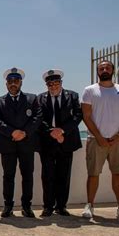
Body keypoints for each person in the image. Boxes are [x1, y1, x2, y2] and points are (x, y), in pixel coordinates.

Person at [81, 60, 119, 219]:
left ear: (112, 70)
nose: (104, 70)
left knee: (118, 174)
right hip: (95, 140)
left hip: (118, 141)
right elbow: (86, 116)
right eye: (101, 68)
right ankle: (89, 206)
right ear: (97, 71)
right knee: (93, 174)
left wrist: (118, 135)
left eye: (107, 67)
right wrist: (99, 137)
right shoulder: (89, 90)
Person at [0, 67, 42, 218]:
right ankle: (8, 206)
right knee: (8, 176)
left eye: (16, 81)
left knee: (27, 175)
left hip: (26, 143)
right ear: (6, 84)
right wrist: (12, 132)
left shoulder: (32, 99)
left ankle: (26, 206)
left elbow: (37, 117)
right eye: (10, 81)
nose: (13, 84)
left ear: (21, 82)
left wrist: (24, 132)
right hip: (8, 144)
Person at [37, 70, 82, 217]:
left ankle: (61, 206)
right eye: (50, 84)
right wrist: (52, 131)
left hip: (66, 141)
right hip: (47, 142)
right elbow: (39, 119)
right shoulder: (40, 98)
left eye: (56, 83)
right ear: (47, 85)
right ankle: (48, 206)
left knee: (64, 175)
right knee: (48, 175)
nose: (53, 86)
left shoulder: (73, 96)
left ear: (61, 83)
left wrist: (62, 131)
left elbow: (77, 116)